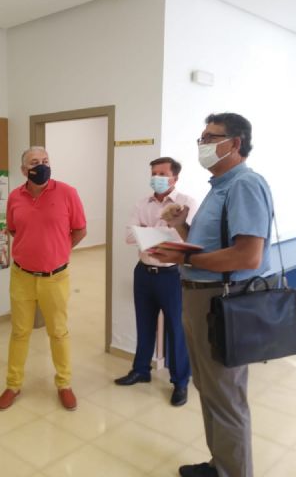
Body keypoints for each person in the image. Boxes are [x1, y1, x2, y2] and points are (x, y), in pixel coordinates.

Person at [153, 113, 273, 477]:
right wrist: (181, 228)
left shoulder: (244, 185)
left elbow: (248, 256)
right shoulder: (219, 186)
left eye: (210, 138)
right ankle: (219, 465)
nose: (202, 145)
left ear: (235, 143)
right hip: (200, 295)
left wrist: (184, 257)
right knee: (208, 386)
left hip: (220, 300)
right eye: (201, 138)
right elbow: (207, 247)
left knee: (225, 394)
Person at [0, 146, 87, 411]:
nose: (42, 166)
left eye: (45, 161)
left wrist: (59, 251)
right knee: (19, 332)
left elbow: (80, 230)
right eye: (35, 162)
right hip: (21, 275)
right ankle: (13, 385)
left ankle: (64, 384)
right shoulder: (15, 197)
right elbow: (14, 229)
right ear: (24, 170)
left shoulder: (68, 193)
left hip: (55, 277)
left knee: (58, 332)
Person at [114, 157, 197, 407]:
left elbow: (187, 239)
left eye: (162, 174)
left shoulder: (187, 203)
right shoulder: (142, 203)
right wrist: (165, 234)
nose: (156, 178)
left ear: (175, 178)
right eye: (153, 173)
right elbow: (129, 236)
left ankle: (180, 382)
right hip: (144, 272)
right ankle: (141, 370)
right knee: (144, 323)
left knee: (176, 329)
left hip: (172, 275)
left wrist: (146, 232)